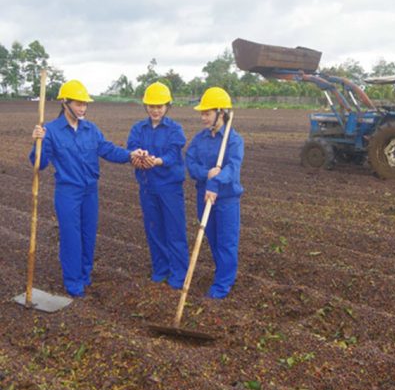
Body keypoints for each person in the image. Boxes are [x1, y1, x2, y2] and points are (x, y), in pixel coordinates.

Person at [30, 80, 144, 297]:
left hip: (90, 191)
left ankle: (84, 275)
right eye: (79, 103)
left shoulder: (90, 129)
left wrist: (130, 155)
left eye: (85, 104)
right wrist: (38, 142)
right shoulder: (50, 131)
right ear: (65, 103)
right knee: (71, 237)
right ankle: (73, 282)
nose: (83, 108)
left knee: (88, 234)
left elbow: (108, 150)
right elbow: (39, 164)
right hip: (68, 192)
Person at [127, 82, 188, 289]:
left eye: (159, 106)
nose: (155, 110)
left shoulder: (175, 129)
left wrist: (158, 161)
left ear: (167, 106)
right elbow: (132, 148)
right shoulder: (138, 128)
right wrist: (138, 156)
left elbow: (173, 154)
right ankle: (161, 269)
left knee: (175, 231)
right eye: (152, 106)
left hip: (169, 187)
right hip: (147, 187)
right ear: (146, 106)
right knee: (154, 230)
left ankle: (178, 274)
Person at [185, 86, 244, 299]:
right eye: (202, 113)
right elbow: (190, 163)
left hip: (226, 199)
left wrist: (215, 182)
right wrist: (206, 174)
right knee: (212, 239)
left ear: (221, 113)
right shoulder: (199, 139)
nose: (203, 117)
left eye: (207, 113)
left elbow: (232, 169)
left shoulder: (234, 140)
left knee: (226, 242)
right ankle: (222, 273)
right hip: (204, 197)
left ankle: (222, 285)